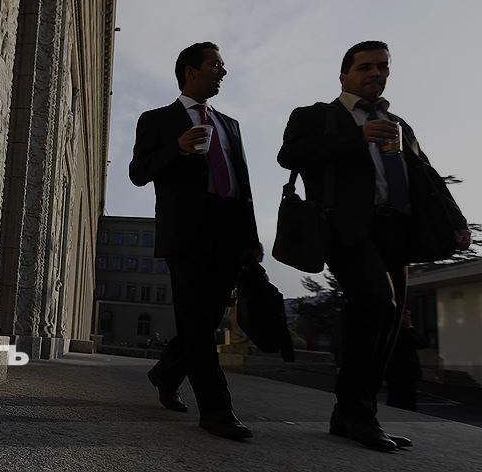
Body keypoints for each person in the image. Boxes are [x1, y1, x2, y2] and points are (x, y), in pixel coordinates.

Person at [278, 41, 470, 452]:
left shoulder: (398, 123)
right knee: (377, 302)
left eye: (382, 67)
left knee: (390, 321)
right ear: (344, 75)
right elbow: (289, 155)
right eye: (365, 67)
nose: (375, 74)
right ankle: (356, 412)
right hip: (345, 228)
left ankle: (353, 413)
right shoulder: (315, 115)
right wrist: (357, 137)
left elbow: (426, 174)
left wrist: (456, 221)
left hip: (397, 230)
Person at [129, 42, 261, 440]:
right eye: (216, 64)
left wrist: (251, 238)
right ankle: (217, 410)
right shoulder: (156, 119)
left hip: (229, 234)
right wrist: (178, 148)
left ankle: (166, 373)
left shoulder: (230, 125)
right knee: (196, 322)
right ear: (191, 71)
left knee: (204, 320)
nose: (223, 71)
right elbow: (138, 172)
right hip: (186, 235)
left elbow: (242, 184)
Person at [385, 309, 423, 411]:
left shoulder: (392, 331)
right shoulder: (401, 333)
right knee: (405, 402)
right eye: (407, 316)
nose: (409, 318)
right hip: (403, 372)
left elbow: (421, 343)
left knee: (396, 400)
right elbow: (419, 342)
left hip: (398, 372)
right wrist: (411, 328)